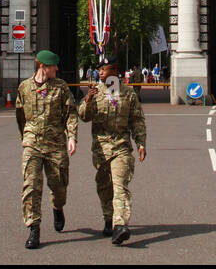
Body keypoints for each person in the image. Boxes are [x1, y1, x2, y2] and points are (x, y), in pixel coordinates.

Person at [77, 57, 147, 245]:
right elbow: (83, 116)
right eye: (99, 69)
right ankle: (108, 217)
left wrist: (141, 143)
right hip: (100, 148)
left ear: (115, 70)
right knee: (104, 186)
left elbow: (137, 120)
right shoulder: (95, 91)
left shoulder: (128, 93)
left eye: (104, 69)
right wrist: (88, 99)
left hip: (122, 147)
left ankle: (120, 225)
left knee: (120, 186)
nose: (100, 72)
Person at [15, 49, 77, 249]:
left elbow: (71, 113)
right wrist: (25, 137)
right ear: (43, 66)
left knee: (59, 186)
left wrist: (72, 137)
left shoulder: (61, 87)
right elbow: (20, 115)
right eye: (54, 66)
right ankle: (34, 228)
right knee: (31, 186)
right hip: (32, 143)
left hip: (56, 143)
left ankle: (57, 207)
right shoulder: (24, 87)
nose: (57, 69)